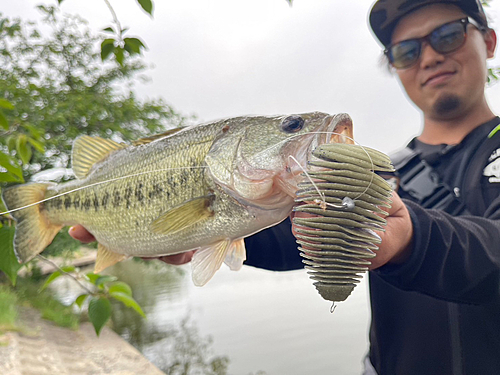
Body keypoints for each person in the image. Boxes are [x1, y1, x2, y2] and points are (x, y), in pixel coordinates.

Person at [70, 0, 500, 373]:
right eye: (406, 50)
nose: (427, 57)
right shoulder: (388, 170)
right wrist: (205, 232)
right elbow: (292, 238)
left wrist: (414, 239)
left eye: (447, 35)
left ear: (489, 41)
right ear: (395, 66)